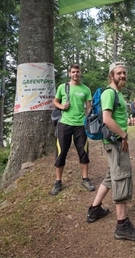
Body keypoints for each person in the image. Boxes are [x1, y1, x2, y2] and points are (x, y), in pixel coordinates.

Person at [86, 62, 135, 241]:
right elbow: (106, 119)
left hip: (115, 141)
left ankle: (94, 210)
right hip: (115, 141)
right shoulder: (109, 93)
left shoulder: (117, 93)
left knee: (111, 175)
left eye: (124, 73)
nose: (122, 76)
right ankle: (122, 225)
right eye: (119, 73)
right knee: (120, 177)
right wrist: (124, 136)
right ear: (111, 76)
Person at [50, 64, 94, 196]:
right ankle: (58, 182)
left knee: (83, 152)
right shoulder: (63, 87)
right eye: (73, 72)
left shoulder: (85, 89)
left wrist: (88, 118)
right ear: (69, 74)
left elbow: (89, 107)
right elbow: (55, 102)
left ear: (80, 73)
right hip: (64, 125)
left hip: (81, 125)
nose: (75, 74)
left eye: (77, 72)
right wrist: (62, 107)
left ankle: (85, 179)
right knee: (61, 153)